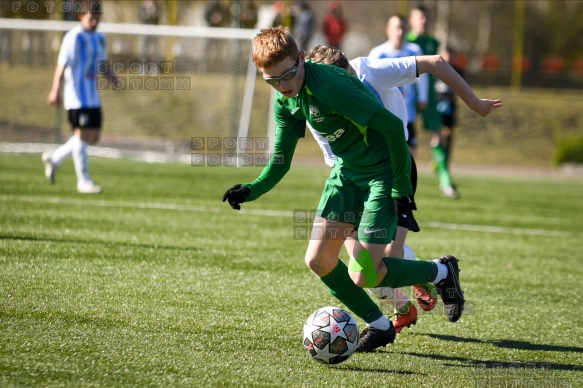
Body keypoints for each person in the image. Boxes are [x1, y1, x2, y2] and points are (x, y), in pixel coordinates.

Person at [222, 27, 473, 352]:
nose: (283, 86)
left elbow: (393, 127)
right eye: (272, 81)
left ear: (301, 59)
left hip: (383, 171)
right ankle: (381, 326)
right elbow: (281, 160)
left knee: (365, 273)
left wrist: (400, 188)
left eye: (288, 75)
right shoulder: (286, 100)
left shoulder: (332, 85)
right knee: (318, 260)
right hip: (347, 172)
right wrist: (252, 189)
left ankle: (441, 271)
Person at [305, 45, 502, 333]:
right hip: (354, 174)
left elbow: (435, 61)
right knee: (362, 268)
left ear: (349, 72)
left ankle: (436, 273)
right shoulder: (314, 99)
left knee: (383, 262)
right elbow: (334, 157)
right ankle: (402, 310)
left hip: (394, 169)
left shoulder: (371, 71)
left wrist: (473, 103)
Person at [43, 0, 115, 194]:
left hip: (93, 96)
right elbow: (62, 65)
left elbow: (102, 62)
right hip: (76, 96)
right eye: (91, 17)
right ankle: (84, 181)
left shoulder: (100, 37)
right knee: (82, 136)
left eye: (98, 16)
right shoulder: (74, 37)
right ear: (81, 16)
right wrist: (55, 89)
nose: (95, 21)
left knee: (94, 137)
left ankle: (55, 158)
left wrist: (111, 77)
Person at [406, 5, 458, 199]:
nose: (423, 21)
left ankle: (446, 182)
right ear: (411, 21)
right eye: (420, 18)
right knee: (408, 142)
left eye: (426, 18)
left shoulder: (432, 42)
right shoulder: (407, 43)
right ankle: (405, 183)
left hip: (429, 97)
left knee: (437, 138)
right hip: (409, 98)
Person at [368, 14, 428, 158]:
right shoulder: (378, 53)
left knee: (410, 153)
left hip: (408, 112)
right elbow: (368, 81)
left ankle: (409, 179)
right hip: (385, 113)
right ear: (388, 30)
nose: (399, 32)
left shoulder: (414, 51)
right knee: (386, 155)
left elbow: (423, 76)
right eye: (396, 28)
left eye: (402, 28)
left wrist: (423, 97)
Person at [435, 46, 463, 168]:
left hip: (449, 108)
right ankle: (437, 159)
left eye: (451, 56)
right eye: (447, 55)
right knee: (436, 135)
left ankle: (444, 161)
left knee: (448, 135)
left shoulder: (458, 71)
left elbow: (461, 89)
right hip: (436, 108)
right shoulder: (435, 69)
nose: (449, 58)